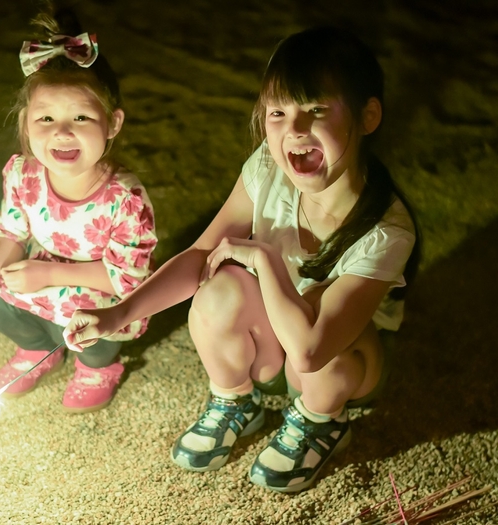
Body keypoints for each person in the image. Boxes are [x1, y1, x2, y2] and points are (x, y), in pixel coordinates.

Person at [63, 26, 419, 491]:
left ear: (368, 116)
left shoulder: (387, 231)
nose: (293, 129)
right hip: (274, 350)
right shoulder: (267, 171)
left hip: (336, 366)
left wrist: (264, 258)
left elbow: (312, 352)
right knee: (219, 288)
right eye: (277, 112)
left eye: (315, 110)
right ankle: (236, 400)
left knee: (314, 302)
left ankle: (321, 420)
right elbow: (199, 256)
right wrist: (118, 313)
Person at [0, 9, 157, 413]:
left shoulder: (125, 199)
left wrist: (48, 273)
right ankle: (36, 349)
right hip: (43, 280)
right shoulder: (22, 174)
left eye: (80, 117)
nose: (62, 131)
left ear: (112, 123)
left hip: (99, 293)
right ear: (26, 124)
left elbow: (125, 279)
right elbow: (9, 234)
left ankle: (97, 367)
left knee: (92, 324)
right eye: (46, 118)